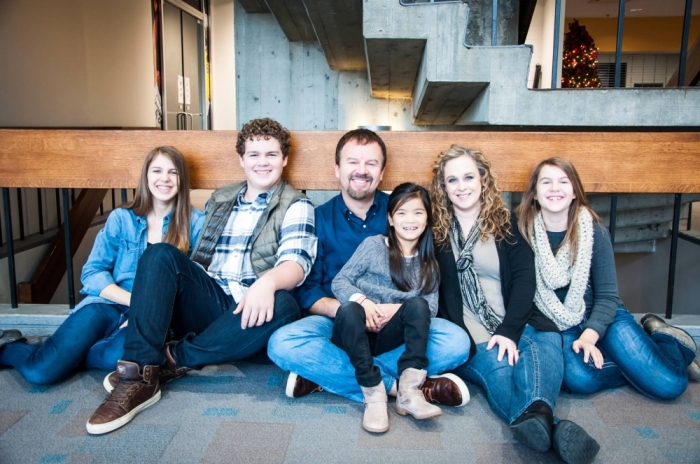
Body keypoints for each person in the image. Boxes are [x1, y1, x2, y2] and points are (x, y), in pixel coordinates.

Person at [86, 118, 316, 435]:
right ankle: (137, 378)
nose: (262, 162)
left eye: (271, 155)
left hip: (252, 308)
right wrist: (144, 308)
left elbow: (297, 263)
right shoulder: (220, 199)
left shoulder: (296, 204)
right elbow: (192, 261)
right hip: (208, 301)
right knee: (159, 254)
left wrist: (267, 282)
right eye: (254, 154)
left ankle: (168, 361)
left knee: (286, 305)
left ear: (284, 159)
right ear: (241, 159)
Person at [268, 129, 470, 409]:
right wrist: (346, 309)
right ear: (337, 168)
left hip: (398, 323)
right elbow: (308, 290)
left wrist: (392, 312)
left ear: (382, 171)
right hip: (337, 320)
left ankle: (324, 376)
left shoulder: (403, 212)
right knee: (283, 342)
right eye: (352, 162)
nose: (361, 171)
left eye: (371, 163)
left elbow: (425, 290)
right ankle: (397, 387)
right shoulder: (318, 217)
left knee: (457, 340)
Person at [433, 145, 599, 464]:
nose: (462, 186)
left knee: (534, 362)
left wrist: (510, 331)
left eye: (469, 176)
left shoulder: (504, 223)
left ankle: (539, 418)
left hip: (524, 324)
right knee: (505, 380)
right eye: (452, 180)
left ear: (483, 179)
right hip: (475, 338)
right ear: (443, 187)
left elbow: (525, 281)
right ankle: (553, 426)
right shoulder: (437, 232)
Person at [0, 146, 204, 385]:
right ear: (146, 176)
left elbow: (194, 285)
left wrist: (145, 313)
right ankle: (10, 346)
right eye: (157, 170)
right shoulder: (122, 218)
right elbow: (92, 272)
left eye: (173, 172)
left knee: (113, 359)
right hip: (106, 304)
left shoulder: (195, 223)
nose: (165, 179)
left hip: (152, 317)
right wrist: (137, 303)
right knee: (40, 373)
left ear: (182, 178)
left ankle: (62, 352)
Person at [516, 156, 699, 401]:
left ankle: (668, 341)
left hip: (604, 316)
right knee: (578, 378)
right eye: (546, 182)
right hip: (557, 323)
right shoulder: (522, 233)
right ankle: (637, 364)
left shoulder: (593, 230)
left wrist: (590, 336)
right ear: (535, 194)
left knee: (670, 384)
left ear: (574, 193)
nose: (555, 188)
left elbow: (607, 296)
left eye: (563, 181)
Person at [332, 183, 444, 433]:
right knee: (348, 310)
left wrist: (386, 310)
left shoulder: (430, 263)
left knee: (420, 307)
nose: (410, 220)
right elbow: (340, 281)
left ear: (427, 218)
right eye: (402, 213)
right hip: (355, 330)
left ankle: (408, 392)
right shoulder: (373, 246)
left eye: (418, 212)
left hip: (390, 336)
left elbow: (431, 309)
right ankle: (373, 393)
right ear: (391, 219)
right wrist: (365, 303)